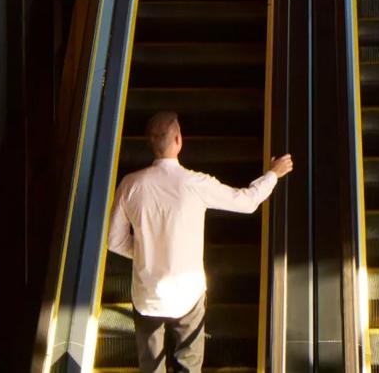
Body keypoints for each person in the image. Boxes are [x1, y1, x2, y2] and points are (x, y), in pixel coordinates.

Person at [108, 111, 294, 373]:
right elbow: (247, 201)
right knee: (189, 363)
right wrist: (273, 174)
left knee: (150, 368)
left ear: (150, 143)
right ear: (178, 139)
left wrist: (145, 255)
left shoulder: (130, 185)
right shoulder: (195, 183)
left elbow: (114, 241)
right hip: (188, 293)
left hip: (147, 294)